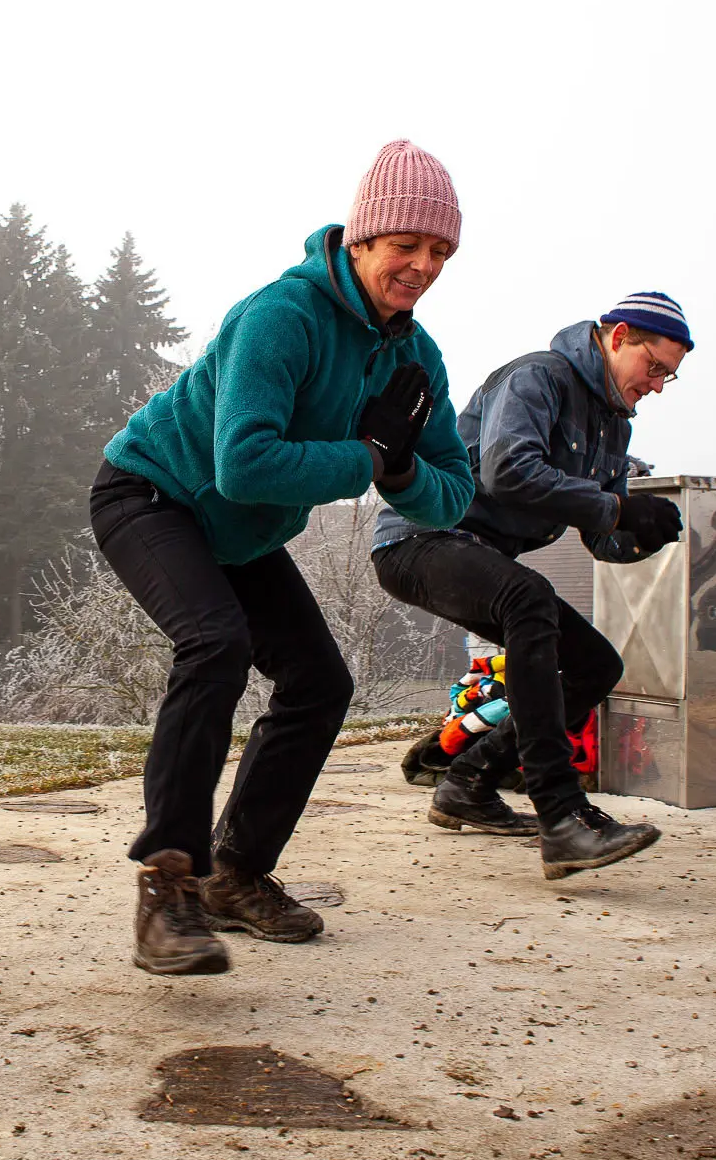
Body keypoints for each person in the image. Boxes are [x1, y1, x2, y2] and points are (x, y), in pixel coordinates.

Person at [92, 140, 475, 976]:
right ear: (362, 238)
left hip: (240, 533)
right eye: (405, 245)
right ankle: (169, 883)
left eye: (439, 251)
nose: (421, 266)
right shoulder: (281, 316)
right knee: (215, 643)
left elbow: (453, 491)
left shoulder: (416, 358)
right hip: (153, 493)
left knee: (320, 682)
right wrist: (368, 459)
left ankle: (236, 871)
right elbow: (246, 462)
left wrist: (402, 464)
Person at [372, 293, 692, 877]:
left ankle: (469, 782)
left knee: (597, 666)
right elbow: (508, 470)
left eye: (670, 376)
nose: (659, 385)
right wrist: (615, 508)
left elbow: (602, 540)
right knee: (529, 598)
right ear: (618, 337)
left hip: (484, 558)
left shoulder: (613, 428)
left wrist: (647, 530)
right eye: (655, 368)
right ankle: (561, 814)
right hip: (419, 539)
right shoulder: (537, 377)